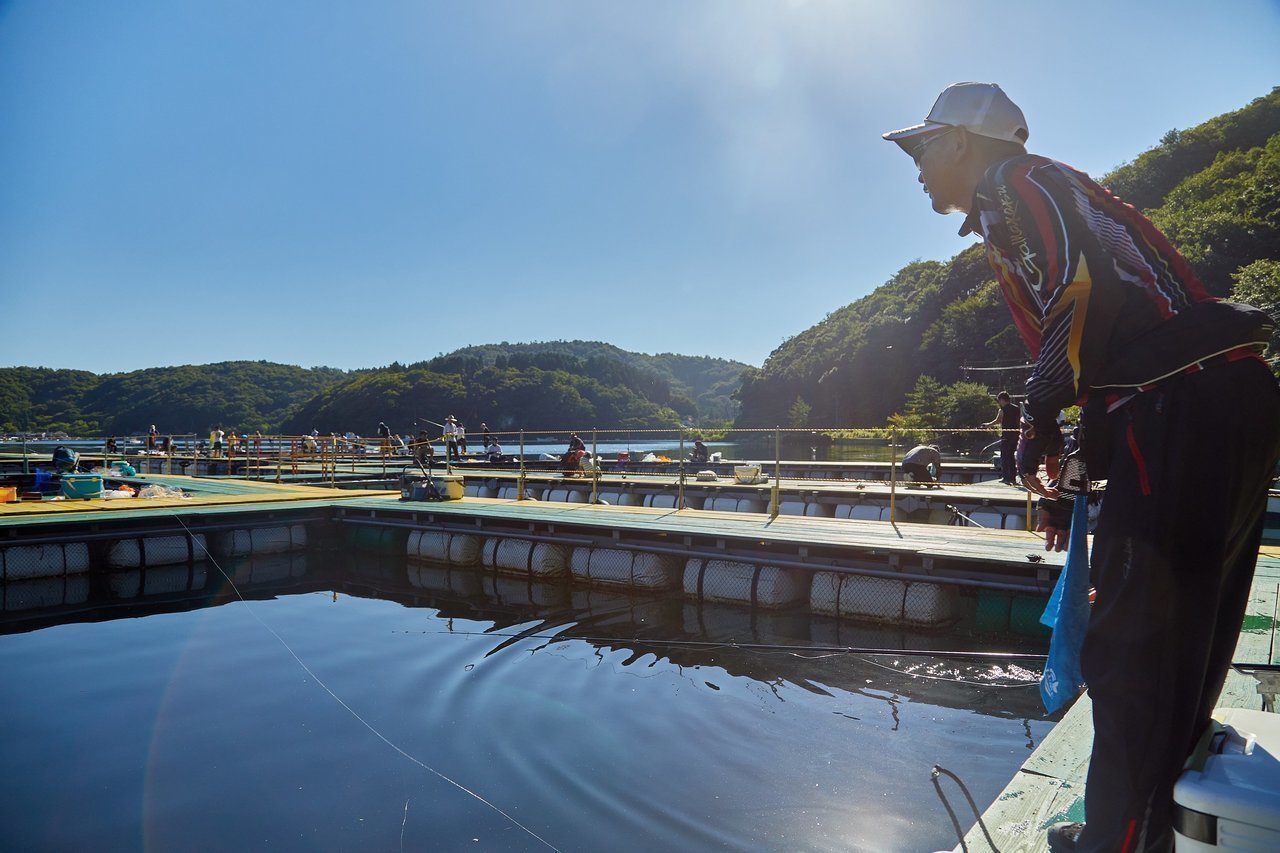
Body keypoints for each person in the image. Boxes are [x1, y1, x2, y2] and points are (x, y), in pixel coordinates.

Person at [884, 82, 1280, 852]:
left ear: (963, 142)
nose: (917, 166)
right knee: (1185, 636)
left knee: (1133, 648)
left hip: (1180, 405)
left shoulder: (1016, 184)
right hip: (1226, 395)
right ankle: (1141, 830)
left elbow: (1079, 290)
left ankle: (1116, 844)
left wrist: (1035, 421)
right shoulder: (1047, 188)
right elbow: (1104, 323)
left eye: (922, 146)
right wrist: (1073, 448)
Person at [982, 391, 1021, 485]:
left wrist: (987, 425)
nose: (999, 402)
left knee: (1004, 456)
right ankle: (1013, 478)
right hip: (1016, 435)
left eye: (999, 400)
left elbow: (998, 420)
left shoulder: (1002, 410)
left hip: (1006, 436)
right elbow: (1020, 420)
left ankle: (1006, 478)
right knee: (1011, 456)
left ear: (1002, 400)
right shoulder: (1017, 409)